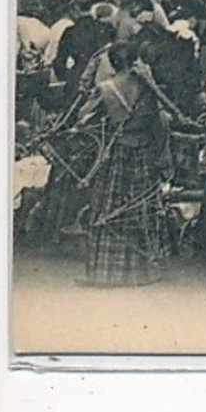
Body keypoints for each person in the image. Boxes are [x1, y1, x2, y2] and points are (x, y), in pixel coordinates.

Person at [82, 42, 173, 286]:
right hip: (143, 154)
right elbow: (159, 123)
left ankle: (107, 273)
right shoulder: (146, 88)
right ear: (135, 60)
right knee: (139, 208)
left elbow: (83, 118)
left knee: (110, 207)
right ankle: (143, 273)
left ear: (112, 63)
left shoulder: (106, 88)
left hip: (118, 154)